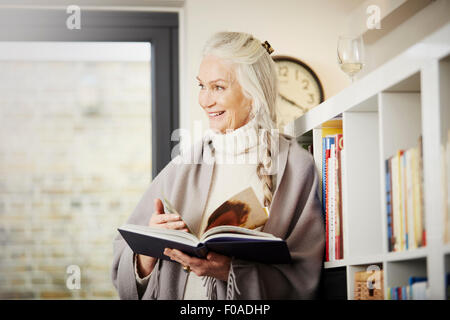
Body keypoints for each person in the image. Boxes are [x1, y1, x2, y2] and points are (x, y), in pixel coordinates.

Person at [112, 31, 325, 300]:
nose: (205, 100)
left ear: (252, 94)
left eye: (218, 87)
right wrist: (146, 251)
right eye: (202, 86)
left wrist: (230, 272)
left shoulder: (296, 167)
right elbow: (124, 268)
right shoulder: (183, 165)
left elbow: (305, 279)